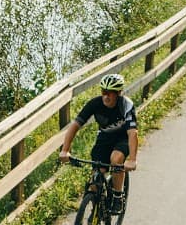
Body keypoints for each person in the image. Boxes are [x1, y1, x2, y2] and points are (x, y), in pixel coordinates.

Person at [58, 72, 138, 211]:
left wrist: (132, 159)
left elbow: (132, 133)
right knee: (96, 177)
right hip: (104, 138)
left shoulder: (126, 105)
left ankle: (118, 196)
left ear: (118, 93)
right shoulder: (95, 103)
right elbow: (75, 126)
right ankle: (94, 210)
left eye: (110, 93)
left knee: (116, 159)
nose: (106, 96)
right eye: (103, 92)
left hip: (122, 138)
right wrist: (65, 150)